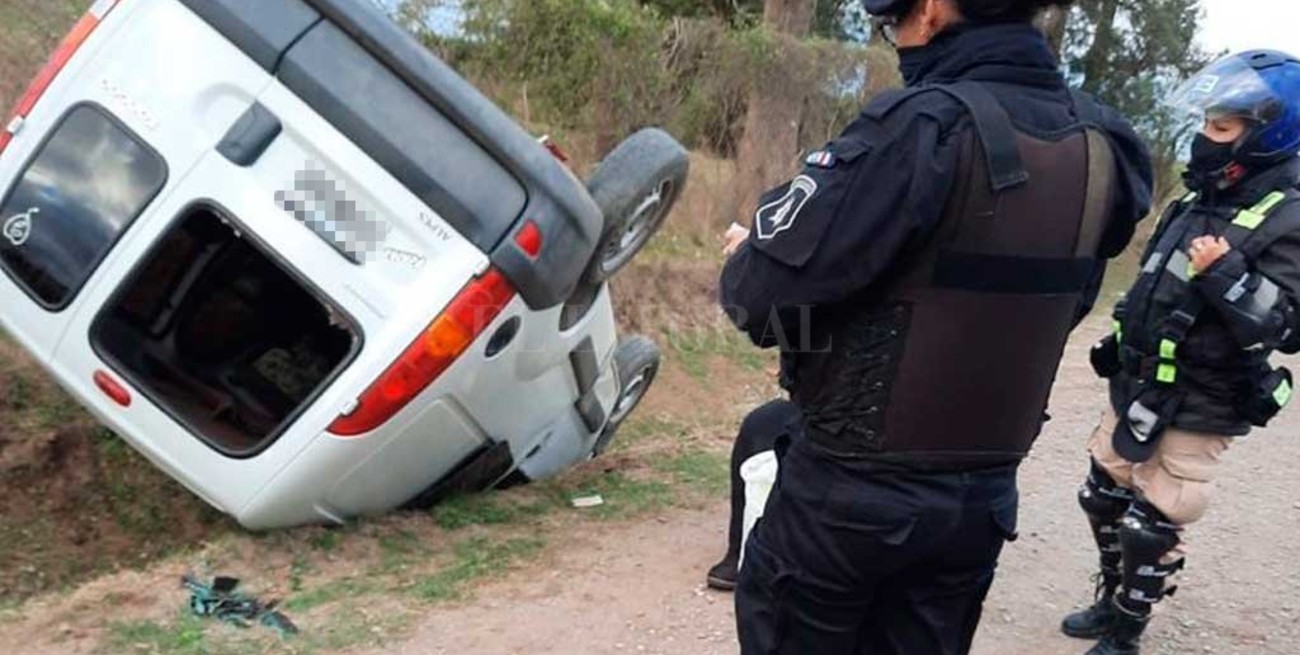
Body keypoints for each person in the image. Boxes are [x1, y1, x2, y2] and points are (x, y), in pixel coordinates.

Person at [717, 0, 1155, 651]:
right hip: (977, 502)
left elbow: (757, 299)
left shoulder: (921, 127)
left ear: (932, 11)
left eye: (892, 19)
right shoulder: (1108, 147)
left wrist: (757, 252)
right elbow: (1063, 303)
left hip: (849, 496)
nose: (894, 36)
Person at [1063, 50, 1300, 655]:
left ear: (1266, 136)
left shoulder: (1290, 217)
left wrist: (1226, 273)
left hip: (1207, 396)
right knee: (1103, 493)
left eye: (1221, 128)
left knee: (1151, 524)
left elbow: (1284, 325)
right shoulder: (1197, 199)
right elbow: (1152, 285)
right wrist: (1118, 340)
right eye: (1205, 123)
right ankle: (1108, 597)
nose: (1204, 138)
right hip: (1141, 381)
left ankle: (1127, 631)